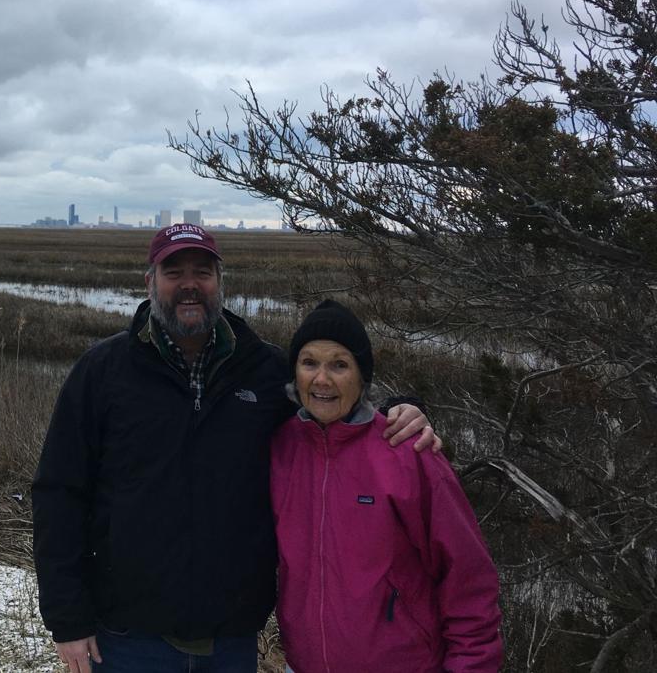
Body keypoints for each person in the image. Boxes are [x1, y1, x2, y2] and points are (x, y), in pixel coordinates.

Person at [31, 224, 440, 673]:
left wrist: (401, 411)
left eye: (203, 272)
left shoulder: (263, 370)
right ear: (149, 282)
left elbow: (334, 410)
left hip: (231, 640)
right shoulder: (103, 372)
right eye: (174, 272)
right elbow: (59, 495)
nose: (190, 285)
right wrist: (68, 620)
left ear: (220, 284)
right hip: (126, 637)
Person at [272, 299, 502, 673]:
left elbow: (467, 578)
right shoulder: (280, 449)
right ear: (294, 373)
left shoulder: (407, 450)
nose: (322, 380)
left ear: (363, 378)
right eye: (309, 362)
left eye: (340, 365)